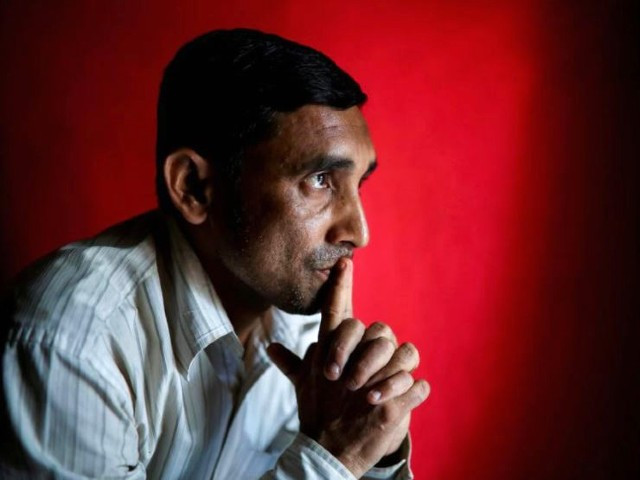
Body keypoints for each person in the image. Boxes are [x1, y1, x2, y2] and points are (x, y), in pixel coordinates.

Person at [0, 28, 429, 479]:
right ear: (194, 187)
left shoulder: (309, 332)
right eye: (320, 179)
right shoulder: (72, 340)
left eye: (357, 184)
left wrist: (373, 444)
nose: (358, 232)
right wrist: (331, 460)